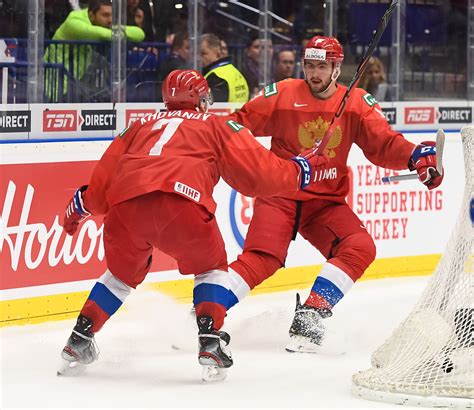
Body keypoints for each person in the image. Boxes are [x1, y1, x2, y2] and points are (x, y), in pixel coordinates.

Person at [58, 69, 328, 380]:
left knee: (119, 276)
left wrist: (76, 211)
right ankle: (210, 340)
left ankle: (79, 337)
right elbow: (259, 173)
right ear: (200, 99)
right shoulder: (217, 124)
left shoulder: (136, 127)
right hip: (181, 204)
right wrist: (299, 170)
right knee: (212, 268)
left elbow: (101, 186)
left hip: (125, 209)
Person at [223, 36, 444, 353]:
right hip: (281, 195)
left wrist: (414, 156)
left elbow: (383, 142)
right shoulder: (283, 93)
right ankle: (205, 313)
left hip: (324, 203)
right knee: (262, 259)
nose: (314, 73)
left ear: (337, 69)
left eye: (322, 67)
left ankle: (310, 315)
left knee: (360, 247)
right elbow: (237, 124)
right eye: (309, 66)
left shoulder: (356, 103)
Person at [44, 0, 145, 102]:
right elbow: (101, 34)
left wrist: (116, 30)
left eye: (112, 15)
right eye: (105, 15)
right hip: (56, 84)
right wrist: (120, 31)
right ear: (92, 15)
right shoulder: (73, 23)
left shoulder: (102, 24)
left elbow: (140, 34)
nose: (110, 20)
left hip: (77, 82)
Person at [199, 33, 248, 103]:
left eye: (203, 53)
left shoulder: (216, 77)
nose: (199, 58)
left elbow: (212, 107)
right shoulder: (236, 71)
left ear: (218, 53)